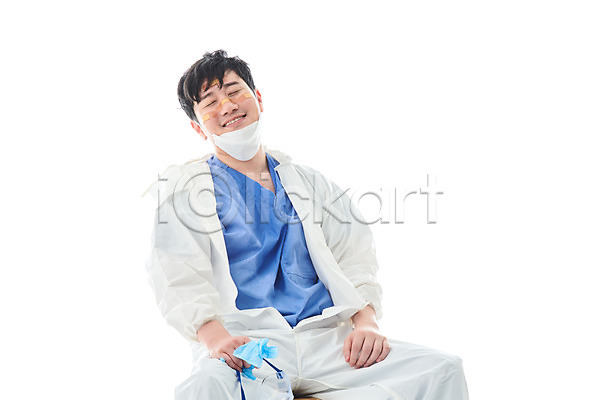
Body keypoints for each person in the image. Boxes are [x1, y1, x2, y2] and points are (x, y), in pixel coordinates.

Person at [146, 50, 469, 400]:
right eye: (210, 102)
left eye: (234, 91)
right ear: (198, 127)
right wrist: (216, 340)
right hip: (247, 342)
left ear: (258, 99)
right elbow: (178, 279)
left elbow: (355, 257)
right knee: (206, 386)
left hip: (326, 340)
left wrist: (366, 325)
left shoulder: (312, 185)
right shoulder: (187, 194)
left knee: (443, 369)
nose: (227, 106)